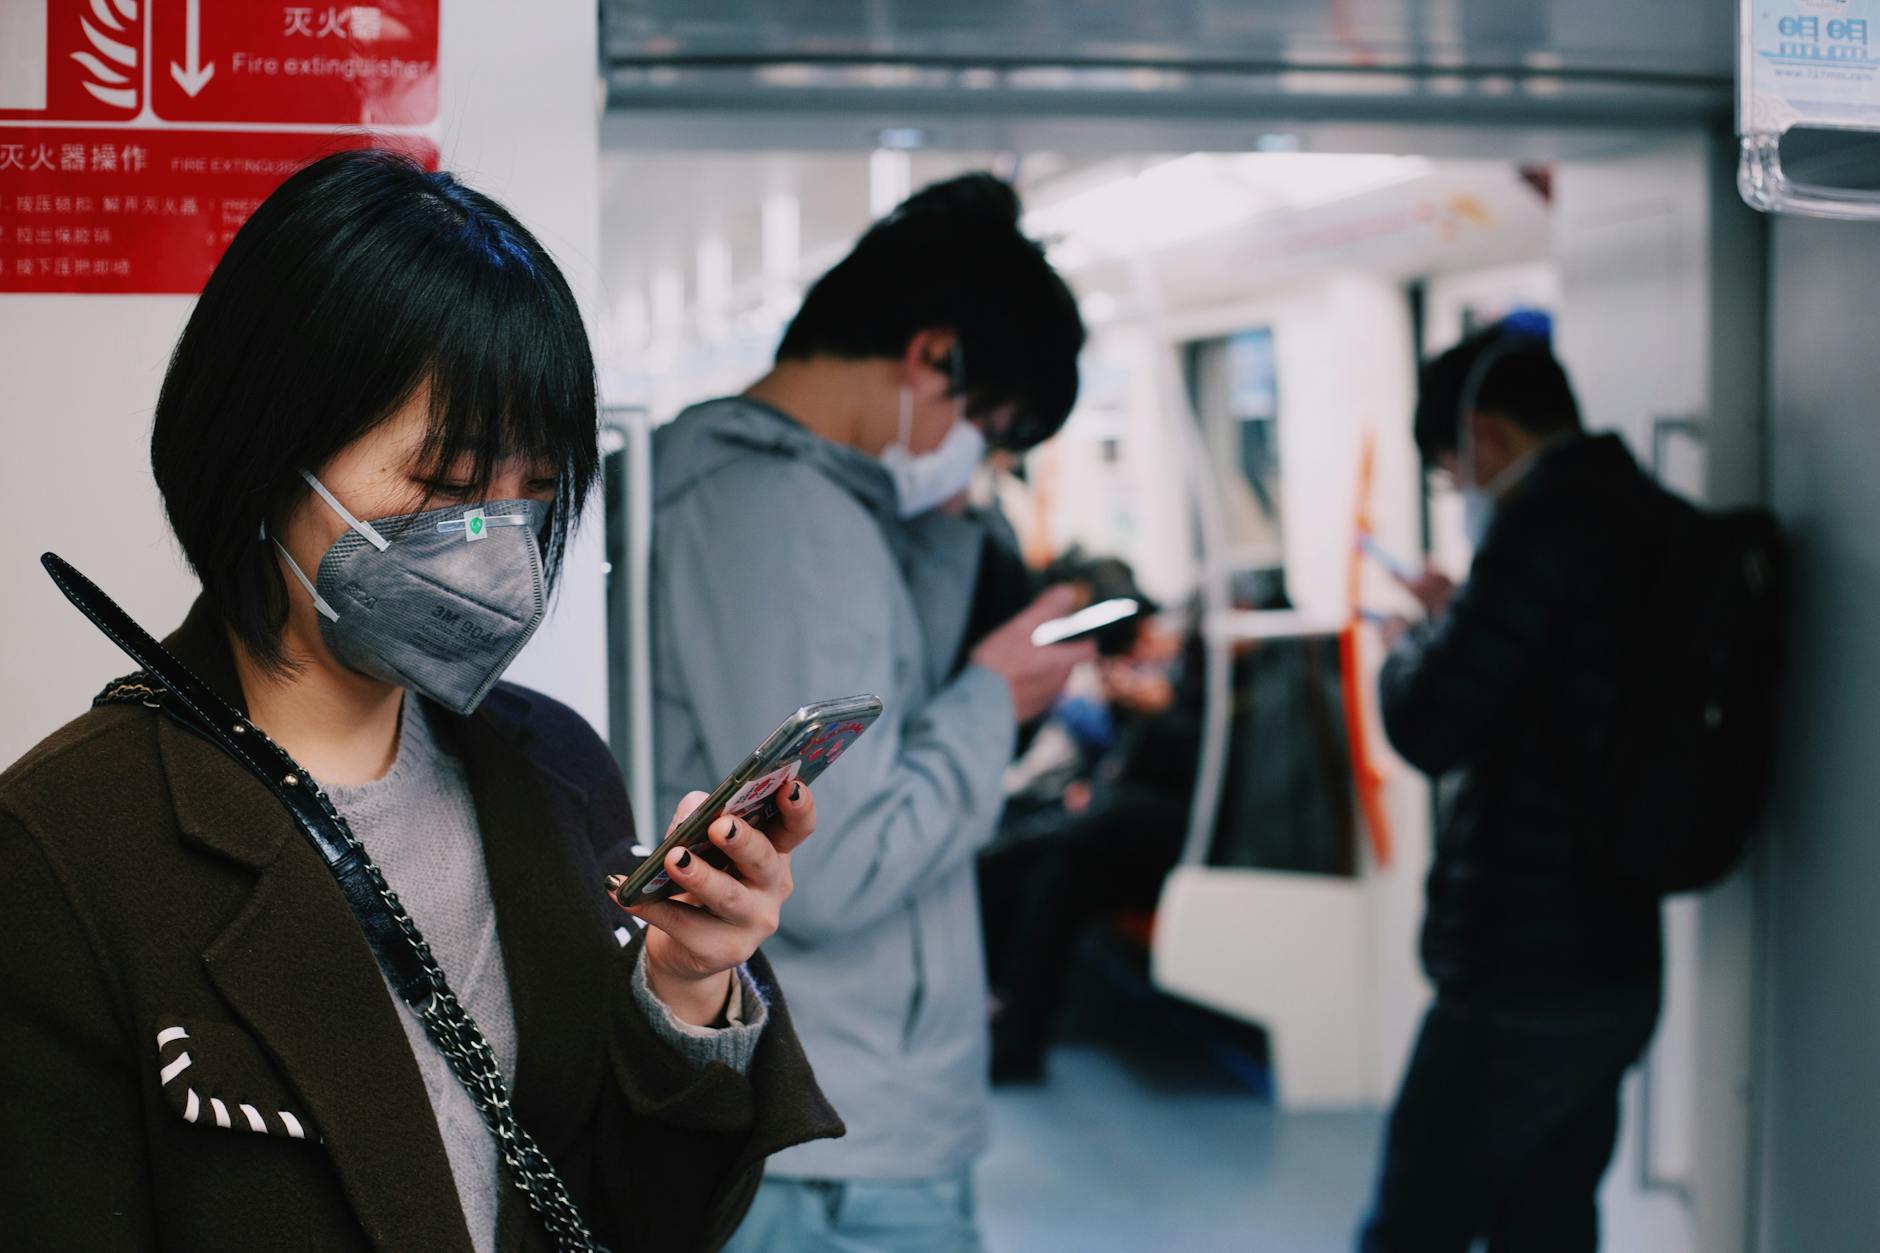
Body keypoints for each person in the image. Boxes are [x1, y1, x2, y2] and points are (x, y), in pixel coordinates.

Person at [0, 148, 842, 1253]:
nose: (499, 540)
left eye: (534, 490)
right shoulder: (64, 845)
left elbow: (641, 1212)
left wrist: (686, 982)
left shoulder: (558, 769)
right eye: (445, 486)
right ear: (264, 456)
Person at [651, 172, 1089, 1251]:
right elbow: (840, 863)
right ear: (928, 356)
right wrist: (997, 694)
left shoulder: (819, 507)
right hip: (838, 1135)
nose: (980, 465)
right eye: (989, 428)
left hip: (846, 1109)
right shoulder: (777, 516)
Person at [1359, 317, 1667, 1252]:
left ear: (1484, 436)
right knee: (1551, 1218)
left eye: (1452, 472)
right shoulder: (1637, 510)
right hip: (1614, 957)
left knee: (1416, 1221)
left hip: (1521, 966)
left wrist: (1410, 646)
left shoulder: (1540, 526)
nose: (1462, 492)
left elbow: (1432, 722)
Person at [977, 557, 1202, 1083]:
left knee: (1050, 856)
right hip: (1116, 817)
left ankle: (1015, 1033)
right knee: (1049, 872)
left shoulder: (1195, 695)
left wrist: (1153, 714)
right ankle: (1008, 1024)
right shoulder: (1164, 685)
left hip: (1152, 829)